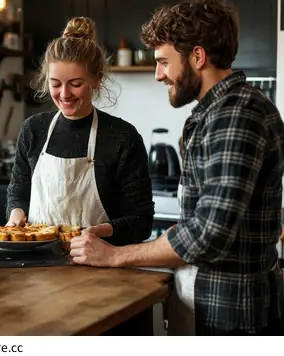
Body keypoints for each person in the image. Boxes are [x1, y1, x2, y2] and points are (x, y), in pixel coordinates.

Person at [69, 0, 284, 336]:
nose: (158, 74)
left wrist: (114, 256)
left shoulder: (236, 114)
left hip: (231, 318)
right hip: (214, 306)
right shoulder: (216, 112)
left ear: (197, 57)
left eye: (164, 62)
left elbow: (207, 236)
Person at [6, 17, 155, 246]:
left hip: (99, 268)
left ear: (97, 80)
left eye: (75, 84)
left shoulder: (122, 137)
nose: (64, 94)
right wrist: (16, 215)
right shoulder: (34, 129)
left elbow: (141, 222)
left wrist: (91, 233)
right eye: (55, 84)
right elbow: (18, 193)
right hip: (35, 265)